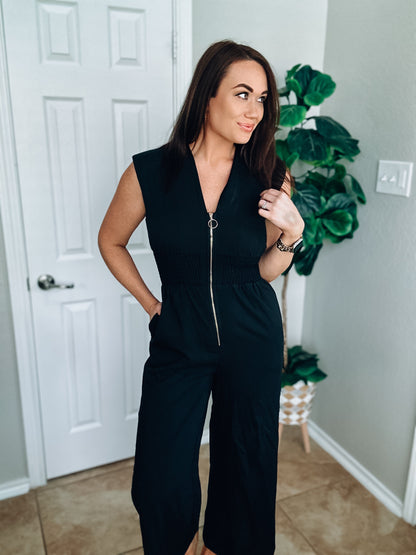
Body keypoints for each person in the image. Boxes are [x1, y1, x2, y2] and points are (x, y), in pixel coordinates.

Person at [98, 39, 304, 555]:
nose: (255, 111)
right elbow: (111, 241)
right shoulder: (150, 172)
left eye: (263, 99)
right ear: (207, 96)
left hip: (252, 337)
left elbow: (263, 271)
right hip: (180, 337)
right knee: (160, 474)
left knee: (247, 463)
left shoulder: (271, 176)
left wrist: (292, 234)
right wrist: (152, 306)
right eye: (242, 94)